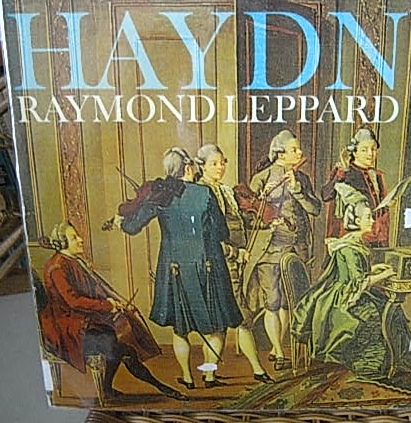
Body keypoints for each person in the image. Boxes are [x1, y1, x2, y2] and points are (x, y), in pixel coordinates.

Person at [116, 147, 243, 389]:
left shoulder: (160, 196)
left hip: (174, 268)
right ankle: (209, 375)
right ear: (187, 168)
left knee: (180, 328)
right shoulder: (205, 193)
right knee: (216, 326)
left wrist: (121, 221)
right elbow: (221, 232)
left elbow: (133, 227)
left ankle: (187, 376)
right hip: (207, 266)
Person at [38, 221, 187, 402]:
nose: (80, 240)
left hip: (80, 321)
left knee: (121, 338)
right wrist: (107, 306)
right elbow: (74, 302)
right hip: (65, 329)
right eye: (74, 237)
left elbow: (96, 290)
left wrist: (119, 304)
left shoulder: (74, 262)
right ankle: (154, 387)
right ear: (62, 243)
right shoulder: (57, 267)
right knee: (116, 343)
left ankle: (128, 387)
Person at [292, 185, 411, 379]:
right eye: (368, 217)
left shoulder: (355, 241)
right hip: (343, 298)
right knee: (374, 316)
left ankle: (394, 360)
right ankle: (369, 364)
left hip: (351, 291)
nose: (372, 220)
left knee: (391, 309)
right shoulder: (349, 247)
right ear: (357, 220)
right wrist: (384, 275)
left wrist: (375, 269)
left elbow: (360, 273)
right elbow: (357, 282)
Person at [196, 144, 274, 384]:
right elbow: (207, 238)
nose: (220, 167)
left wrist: (262, 222)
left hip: (234, 262)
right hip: (219, 264)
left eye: (222, 162)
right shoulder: (201, 194)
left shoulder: (224, 190)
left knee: (225, 321)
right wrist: (236, 253)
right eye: (214, 164)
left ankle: (209, 374)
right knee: (239, 318)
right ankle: (256, 370)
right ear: (202, 166)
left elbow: (237, 222)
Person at [243, 130, 321, 371]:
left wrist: (297, 189)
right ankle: (278, 351)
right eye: (294, 149)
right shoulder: (262, 177)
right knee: (273, 302)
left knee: (289, 302)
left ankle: (278, 346)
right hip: (270, 249)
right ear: (280, 153)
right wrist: (265, 211)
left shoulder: (302, 179)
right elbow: (248, 216)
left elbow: (315, 209)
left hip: (297, 248)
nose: (300, 152)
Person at [321, 127, 390, 246]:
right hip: (350, 238)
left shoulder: (377, 175)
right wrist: (342, 171)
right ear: (354, 152)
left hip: (375, 236)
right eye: (364, 150)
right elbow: (326, 195)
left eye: (373, 149)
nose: (370, 154)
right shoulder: (343, 170)